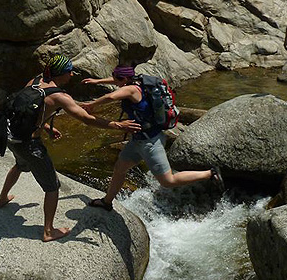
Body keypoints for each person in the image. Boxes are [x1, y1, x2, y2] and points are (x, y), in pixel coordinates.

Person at [0, 55, 141, 242]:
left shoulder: (35, 80)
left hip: (12, 137)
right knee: (52, 187)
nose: (72, 74)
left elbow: (25, 110)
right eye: (69, 71)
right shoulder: (60, 97)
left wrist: (46, 127)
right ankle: (48, 231)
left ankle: (2, 199)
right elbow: (86, 119)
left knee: (20, 166)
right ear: (61, 74)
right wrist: (117, 125)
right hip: (30, 145)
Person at [80, 65, 224, 211]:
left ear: (124, 79)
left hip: (150, 142)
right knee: (119, 169)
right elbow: (117, 81)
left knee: (168, 181)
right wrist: (97, 81)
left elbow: (110, 96)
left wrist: (92, 105)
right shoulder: (138, 81)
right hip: (138, 140)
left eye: (117, 79)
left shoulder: (130, 89)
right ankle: (107, 201)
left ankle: (210, 173)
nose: (115, 82)